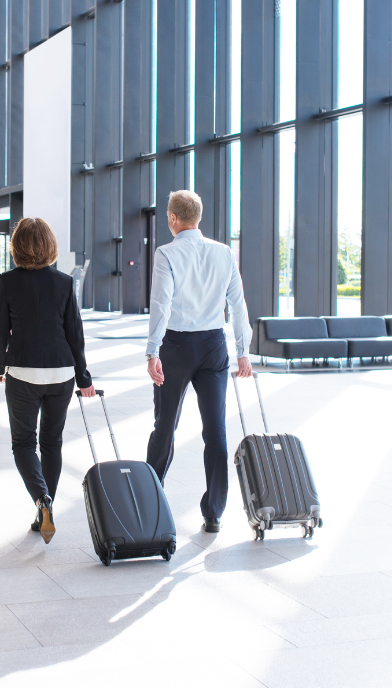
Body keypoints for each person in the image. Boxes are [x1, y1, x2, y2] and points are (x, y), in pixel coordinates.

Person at [145, 190, 253, 533]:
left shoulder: (166, 253)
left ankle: (151, 500)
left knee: (165, 426)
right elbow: (238, 304)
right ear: (199, 217)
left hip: (176, 346)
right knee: (216, 430)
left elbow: (160, 304)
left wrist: (152, 351)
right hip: (213, 346)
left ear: (174, 218)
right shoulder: (224, 253)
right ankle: (214, 512)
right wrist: (243, 350)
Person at [0, 217, 95, 544]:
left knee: (24, 444)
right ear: (50, 245)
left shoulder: (8, 281)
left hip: (21, 371)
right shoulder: (64, 283)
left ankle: (42, 500)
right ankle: (43, 510)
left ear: (16, 246)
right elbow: (75, 334)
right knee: (52, 443)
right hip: (61, 373)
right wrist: (83, 377)